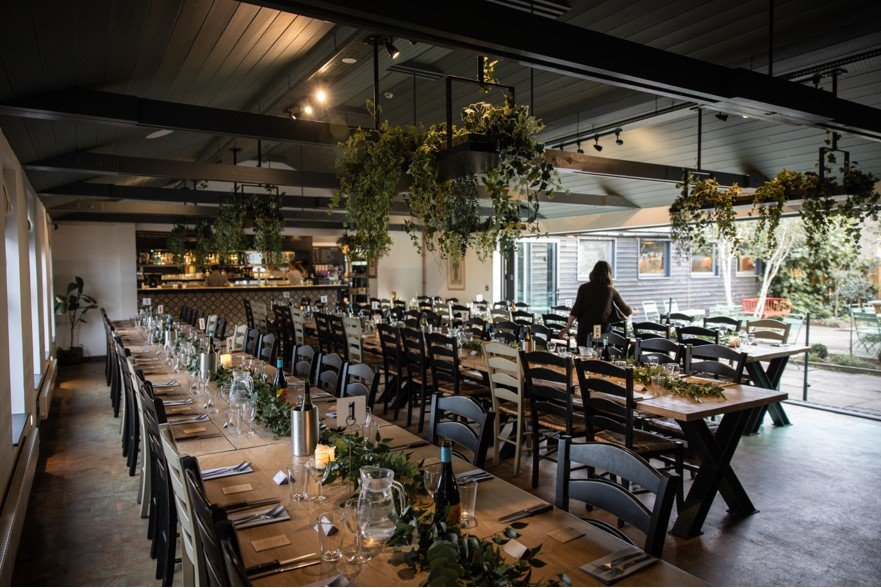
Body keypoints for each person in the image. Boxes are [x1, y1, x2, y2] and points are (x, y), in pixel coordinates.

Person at [559, 260, 632, 346]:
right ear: (608, 274)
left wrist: (567, 327)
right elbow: (626, 310)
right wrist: (632, 311)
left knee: (583, 355)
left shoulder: (583, 288)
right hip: (601, 330)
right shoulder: (610, 290)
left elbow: (575, 309)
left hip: (584, 329)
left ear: (593, 272)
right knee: (601, 354)